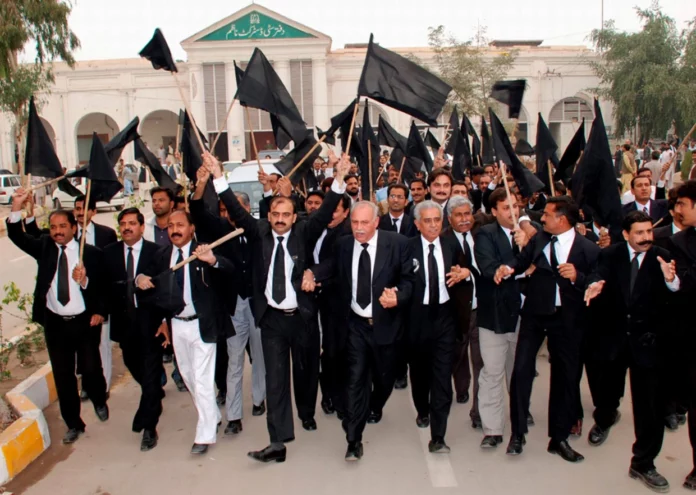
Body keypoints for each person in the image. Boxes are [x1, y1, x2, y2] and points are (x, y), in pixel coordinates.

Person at [209, 151, 349, 463]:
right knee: (276, 382)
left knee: (306, 371)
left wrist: (339, 177)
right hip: (272, 320)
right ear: (269, 216)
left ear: (294, 216)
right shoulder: (258, 232)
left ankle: (307, 412)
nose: (281, 219)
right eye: (276, 214)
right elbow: (234, 209)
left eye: (287, 214)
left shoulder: (305, 231)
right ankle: (277, 442)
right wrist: (218, 176)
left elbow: (326, 210)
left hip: (303, 318)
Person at [496, 196, 600, 462]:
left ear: (562, 220)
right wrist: (508, 268)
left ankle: (559, 438)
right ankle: (517, 434)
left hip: (567, 320)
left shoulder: (588, 249)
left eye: (547, 215)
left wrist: (578, 277)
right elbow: (521, 261)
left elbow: (596, 279)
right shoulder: (540, 239)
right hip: (535, 315)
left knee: (565, 377)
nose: (542, 218)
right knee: (521, 371)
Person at [584, 210, 679, 492]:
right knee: (607, 391)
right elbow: (597, 275)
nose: (646, 237)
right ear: (626, 234)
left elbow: (676, 291)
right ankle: (604, 420)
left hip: (648, 343)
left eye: (649, 231)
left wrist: (671, 281)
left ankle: (643, 462)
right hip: (614, 339)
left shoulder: (663, 256)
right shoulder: (610, 255)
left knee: (649, 406)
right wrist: (594, 284)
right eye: (639, 233)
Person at [6, 188, 108, 444]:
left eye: (63, 226)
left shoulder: (90, 254)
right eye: (53, 227)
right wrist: (16, 206)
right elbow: (17, 236)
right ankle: (73, 423)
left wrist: (86, 284)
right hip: (55, 324)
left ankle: (99, 398)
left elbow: (103, 288)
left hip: (85, 322)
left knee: (91, 368)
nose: (58, 231)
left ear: (74, 227)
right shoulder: (45, 248)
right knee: (63, 377)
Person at [136, 210, 236, 455]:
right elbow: (150, 282)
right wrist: (140, 279)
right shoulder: (162, 256)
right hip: (177, 325)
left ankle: (205, 435)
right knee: (189, 377)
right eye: (171, 226)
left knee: (202, 380)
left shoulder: (204, 250)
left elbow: (229, 269)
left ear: (192, 228)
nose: (175, 230)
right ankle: (212, 415)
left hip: (203, 325)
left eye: (180, 225)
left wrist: (212, 260)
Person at [333, 200, 413, 461]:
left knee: (385, 377)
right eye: (354, 222)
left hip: (387, 325)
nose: (358, 228)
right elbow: (332, 270)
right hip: (356, 325)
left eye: (364, 223)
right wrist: (311, 273)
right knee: (355, 379)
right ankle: (353, 440)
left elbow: (410, 280)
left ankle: (376, 404)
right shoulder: (344, 245)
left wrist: (398, 296)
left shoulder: (398, 244)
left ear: (376, 222)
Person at [190, 171, 266, 435]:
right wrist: (201, 184)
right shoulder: (220, 229)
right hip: (233, 307)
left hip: (257, 306)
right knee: (234, 360)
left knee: (260, 356)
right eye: (224, 210)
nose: (229, 214)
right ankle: (233, 416)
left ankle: (259, 399)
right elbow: (197, 211)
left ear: (246, 208)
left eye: (234, 208)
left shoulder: (258, 230)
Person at [406, 201, 467, 453]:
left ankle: (438, 436)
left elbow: (466, 269)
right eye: (427, 221)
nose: (433, 225)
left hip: (445, 317)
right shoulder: (406, 248)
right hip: (416, 318)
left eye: (437, 220)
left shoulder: (451, 245)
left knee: (442, 377)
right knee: (419, 372)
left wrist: (465, 273)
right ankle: (422, 409)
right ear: (417, 224)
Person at [103, 208, 165, 451]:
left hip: (151, 323)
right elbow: (103, 286)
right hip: (124, 324)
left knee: (150, 376)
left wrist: (165, 320)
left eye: (132, 223)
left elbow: (164, 286)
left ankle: (149, 427)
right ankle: (154, 391)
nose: (127, 227)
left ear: (141, 227)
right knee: (133, 364)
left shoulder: (156, 252)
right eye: (123, 224)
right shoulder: (110, 253)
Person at [473, 188, 527, 449]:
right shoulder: (485, 234)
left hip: (525, 315)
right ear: (494, 211)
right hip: (494, 316)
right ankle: (492, 429)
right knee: (492, 372)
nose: (512, 212)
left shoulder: (530, 233)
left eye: (515, 206)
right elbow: (488, 266)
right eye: (506, 208)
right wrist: (513, 264)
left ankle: (520, 419)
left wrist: (527, 243)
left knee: (519, 372)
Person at [306, 194, 353, 418]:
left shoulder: (346, 235)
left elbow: (338, 267)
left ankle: (337, 398)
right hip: (310, 299)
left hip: (336, 301)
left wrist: (316, 277)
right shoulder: (313, 228)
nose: (330, 214)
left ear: (346, 213)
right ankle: (327, 394)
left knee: (336, 351)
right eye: (328, 209)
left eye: (336, 210)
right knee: (319, 351)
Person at [443, 196, 486, 428]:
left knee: (482, 364)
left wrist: (470, 272)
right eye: (458, 215)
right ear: (449, 218)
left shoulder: (483, 235)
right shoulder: (443, 241)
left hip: (482, 312)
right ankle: (447, 395)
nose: (464, 219)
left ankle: (478, 413)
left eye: (467, 214)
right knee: (452, 359)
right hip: (455, 315)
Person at [73, 195, 117, 398]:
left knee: (102, 344)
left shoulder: (106, 234)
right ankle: (86, 384)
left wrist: (105, 303)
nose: (80, 213)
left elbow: (110, 270)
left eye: (84, 208)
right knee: (82, 346)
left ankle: (103, 386)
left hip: (99, 298)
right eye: (77, 208)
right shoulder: (70, 234)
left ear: (93, 212)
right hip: (76, 299)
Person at [668, 181, 696, 490]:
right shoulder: (679, 242)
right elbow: (683, 283)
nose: (676, 210)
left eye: (682, 204)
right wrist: (673, 282)